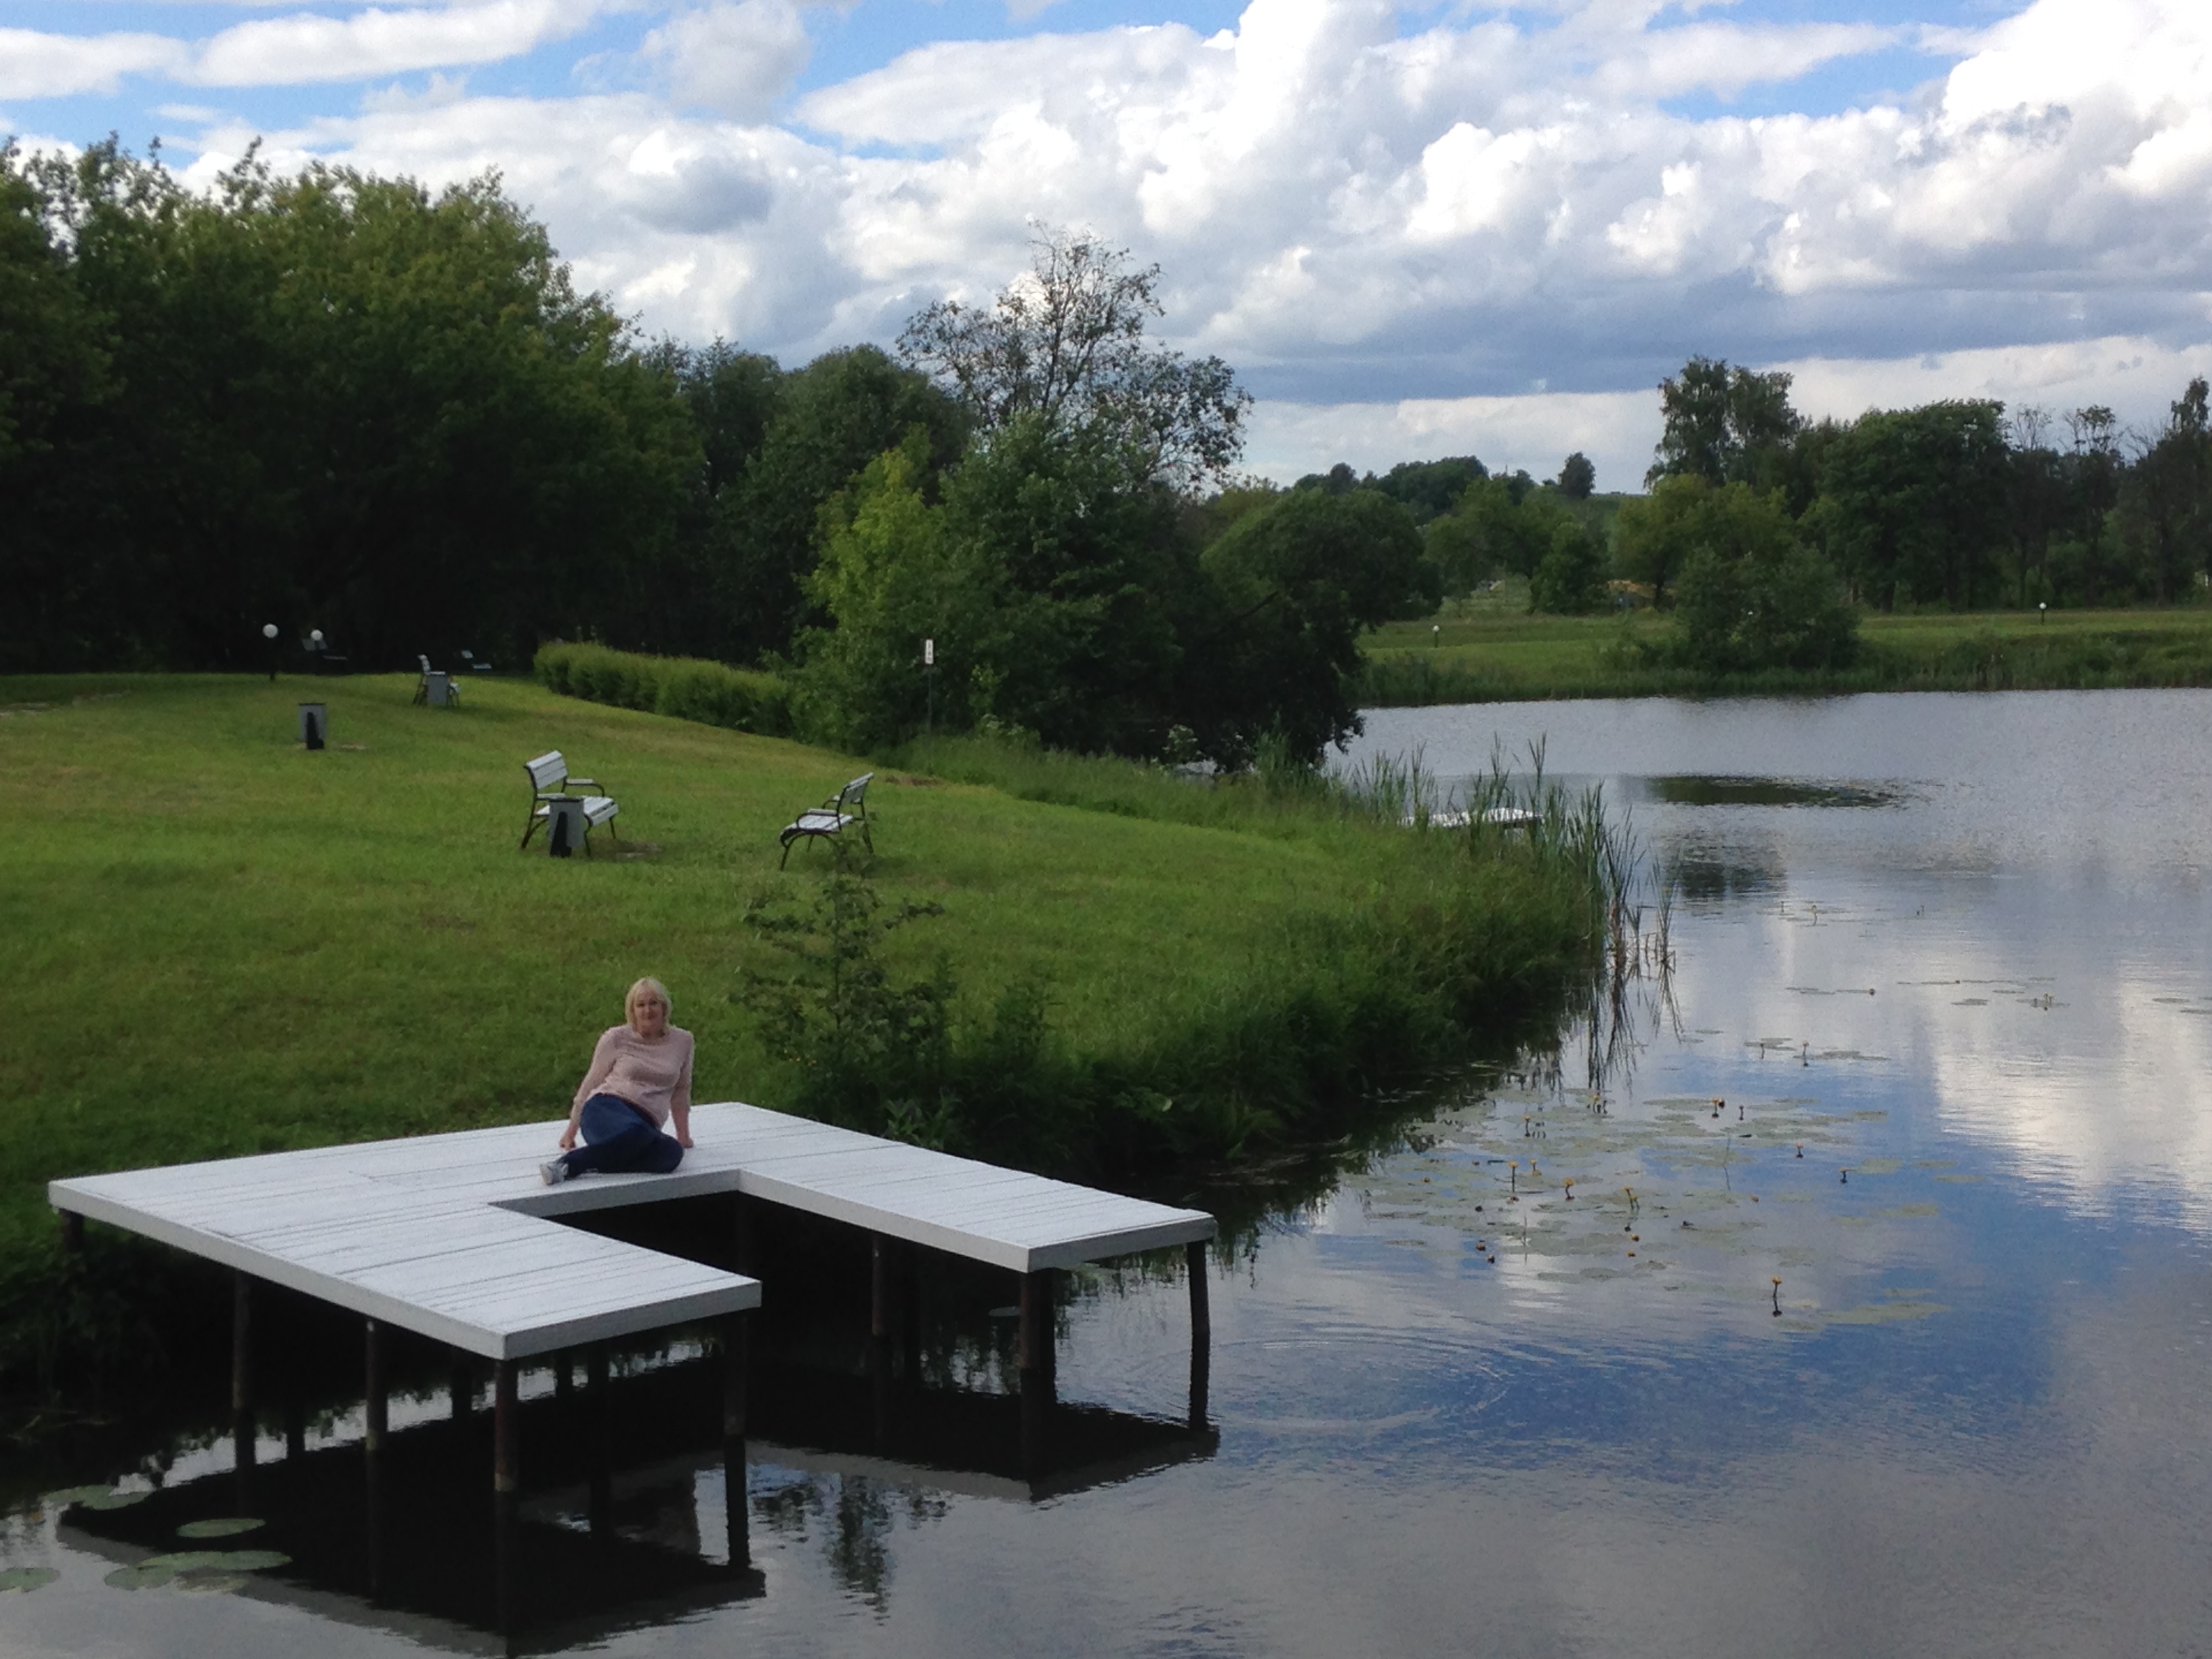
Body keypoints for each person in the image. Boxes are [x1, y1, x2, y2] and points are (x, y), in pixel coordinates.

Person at [541, 977, 694, 1185]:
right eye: (640, 1005)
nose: (647, 1011)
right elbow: (591, 1083)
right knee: (636, 1132)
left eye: (653, 1003)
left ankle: (583, 1163)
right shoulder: (616, 1038)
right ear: (632, 1010)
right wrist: (571, 1131)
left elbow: (681, 1090)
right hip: (605, 1109)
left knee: (671, 1154)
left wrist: (683, 1136)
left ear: (664, 1007)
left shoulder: (683, 1041)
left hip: (645, 1123)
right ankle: (568, 1164)